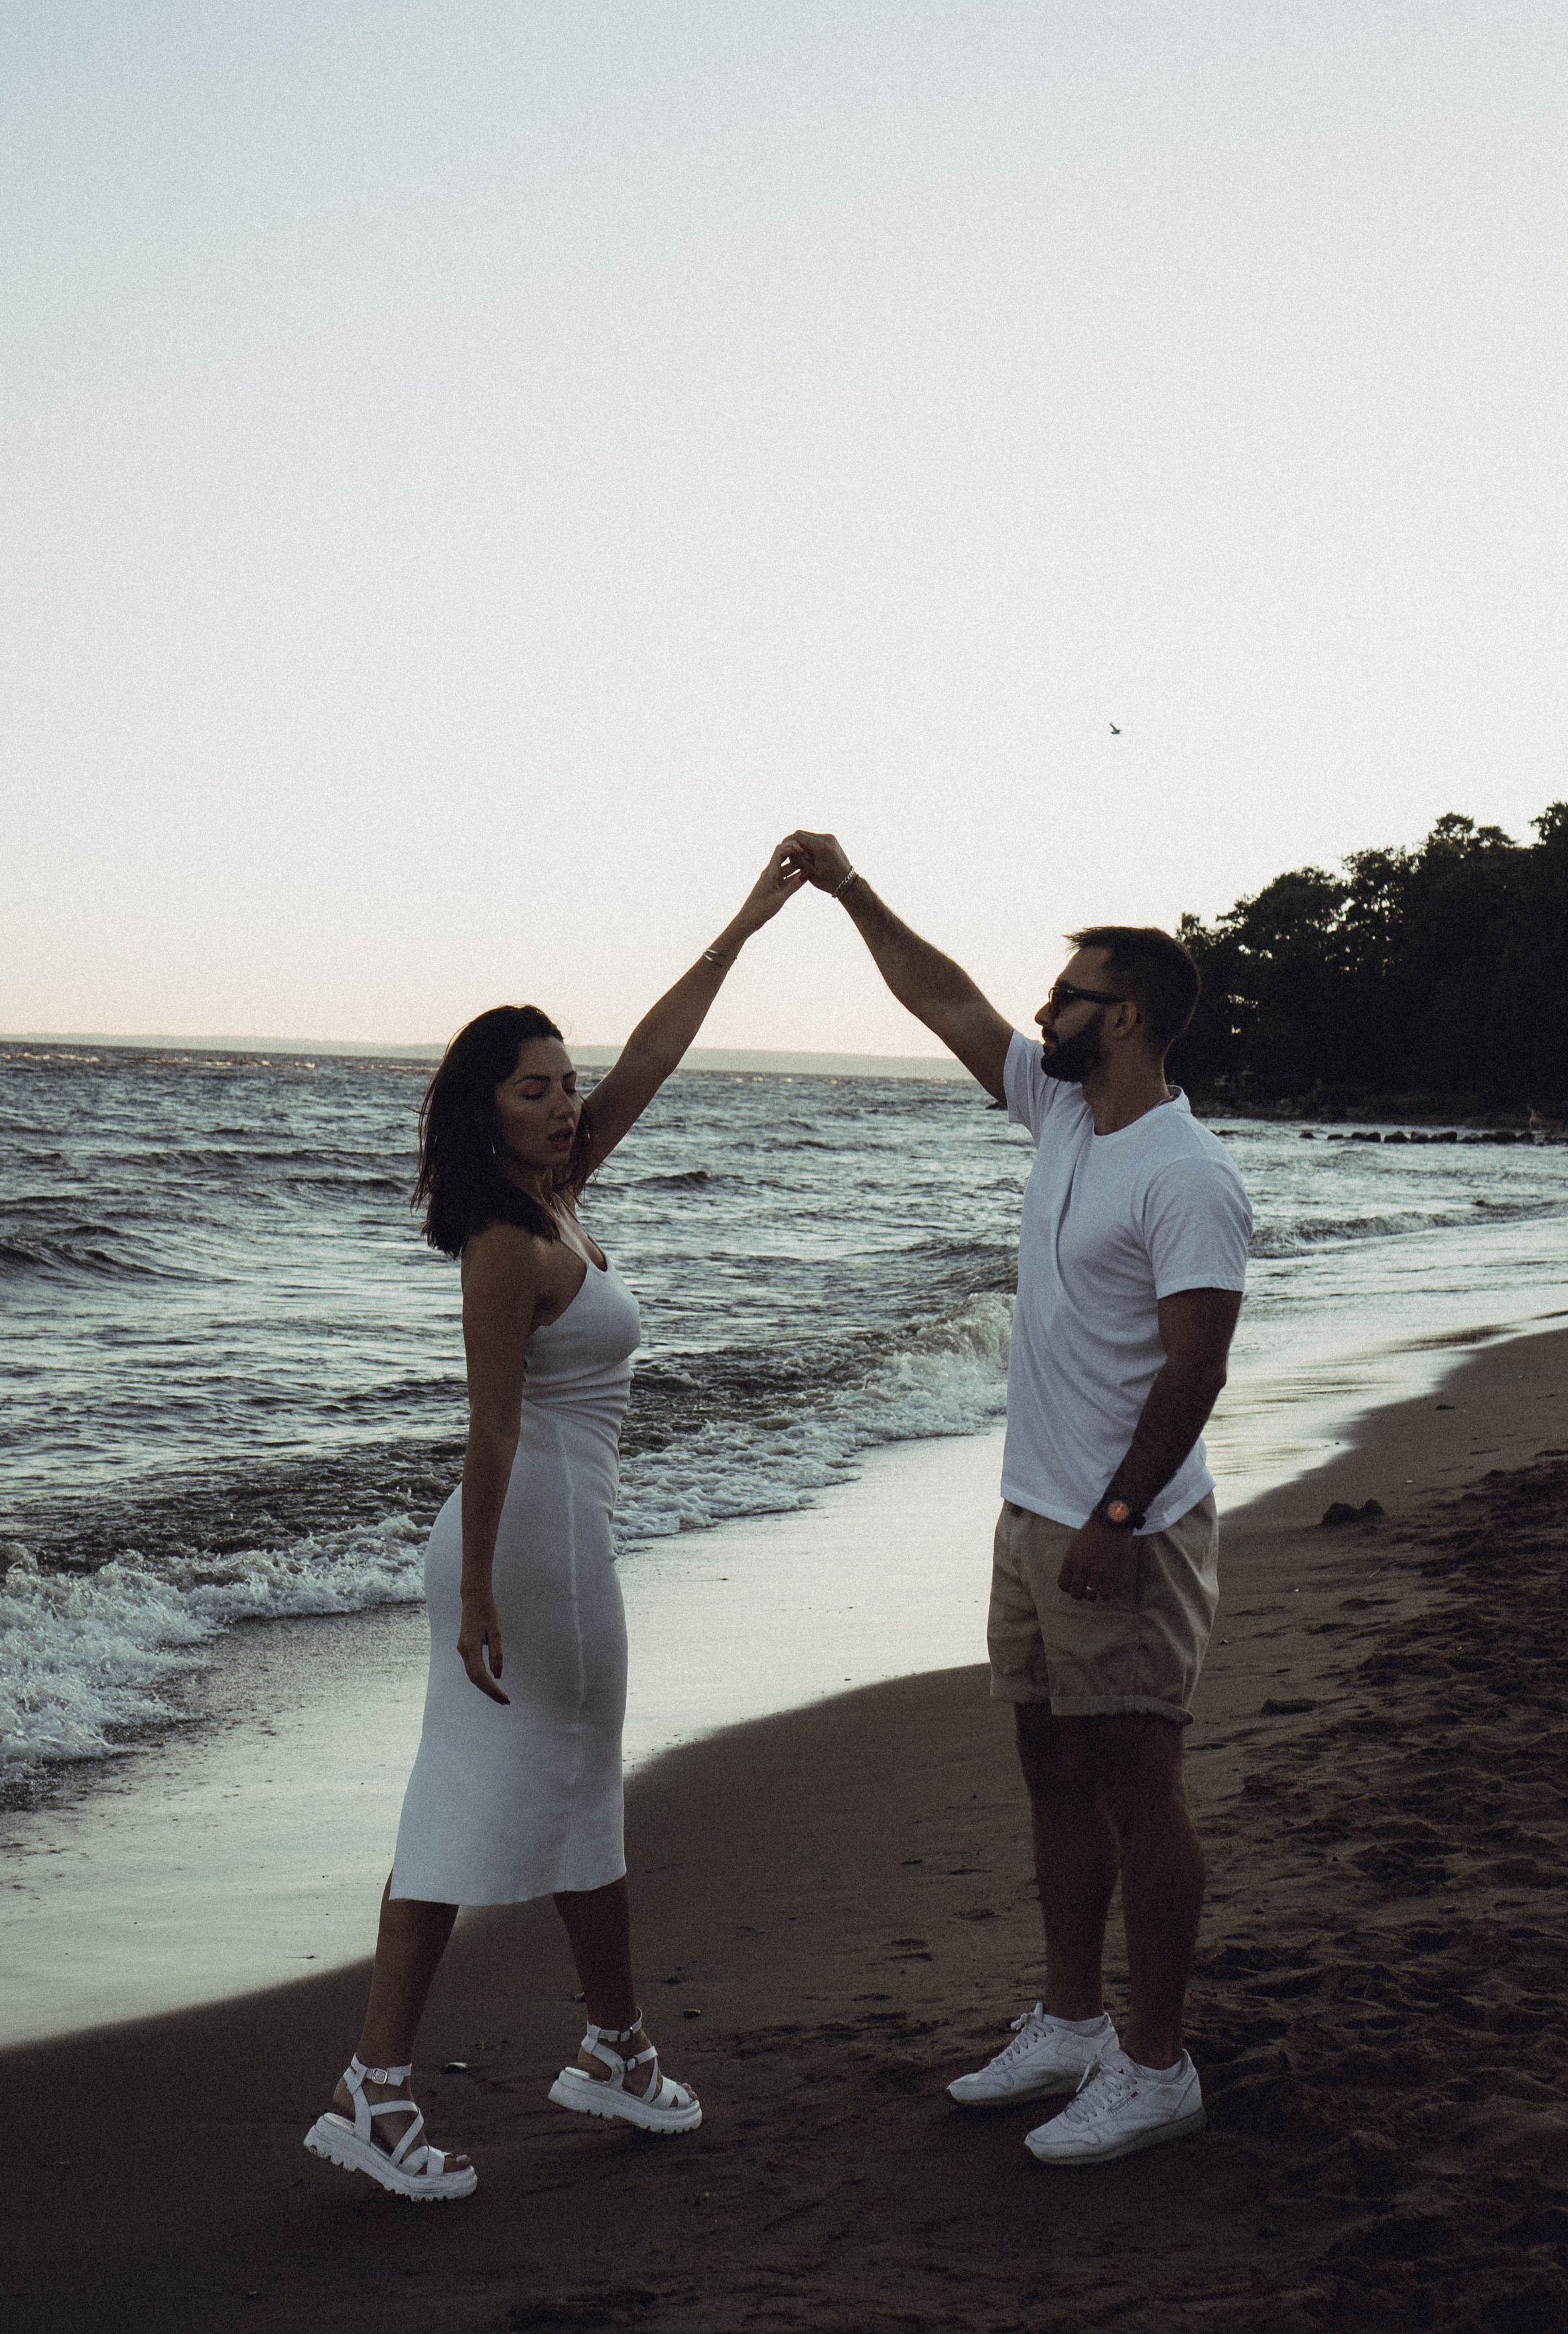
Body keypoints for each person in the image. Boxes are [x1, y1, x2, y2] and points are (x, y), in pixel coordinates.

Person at [304, 844, 805, 2201]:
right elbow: (493, 1428)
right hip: (528, 1545)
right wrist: (475, 1595)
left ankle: (569, 2054)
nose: (569, 1101)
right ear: (486, 1115)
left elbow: (655, 1053)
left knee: (542, 1794)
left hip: (546, 1539)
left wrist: (745, 923)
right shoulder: (504, 1244)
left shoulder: (558, 1196)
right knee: (519, 1798)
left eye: (568, 1081)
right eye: (539, 1089)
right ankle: (446, 2078)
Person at [784, 833, 1252, 2168]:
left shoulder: (1185, 1173)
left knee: (1136, 1781)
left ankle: (1154, 2065)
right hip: (1033, 1510)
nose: (1041, 1014)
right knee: (1050, 1768)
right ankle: (1066, 2022)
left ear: (1133, 1019)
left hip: (1128, 1527)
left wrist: (1112, 1520)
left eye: (1068, 997)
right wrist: (852, 891)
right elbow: (943, 1002)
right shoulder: (1060, 1115)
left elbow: (1196, 1365)